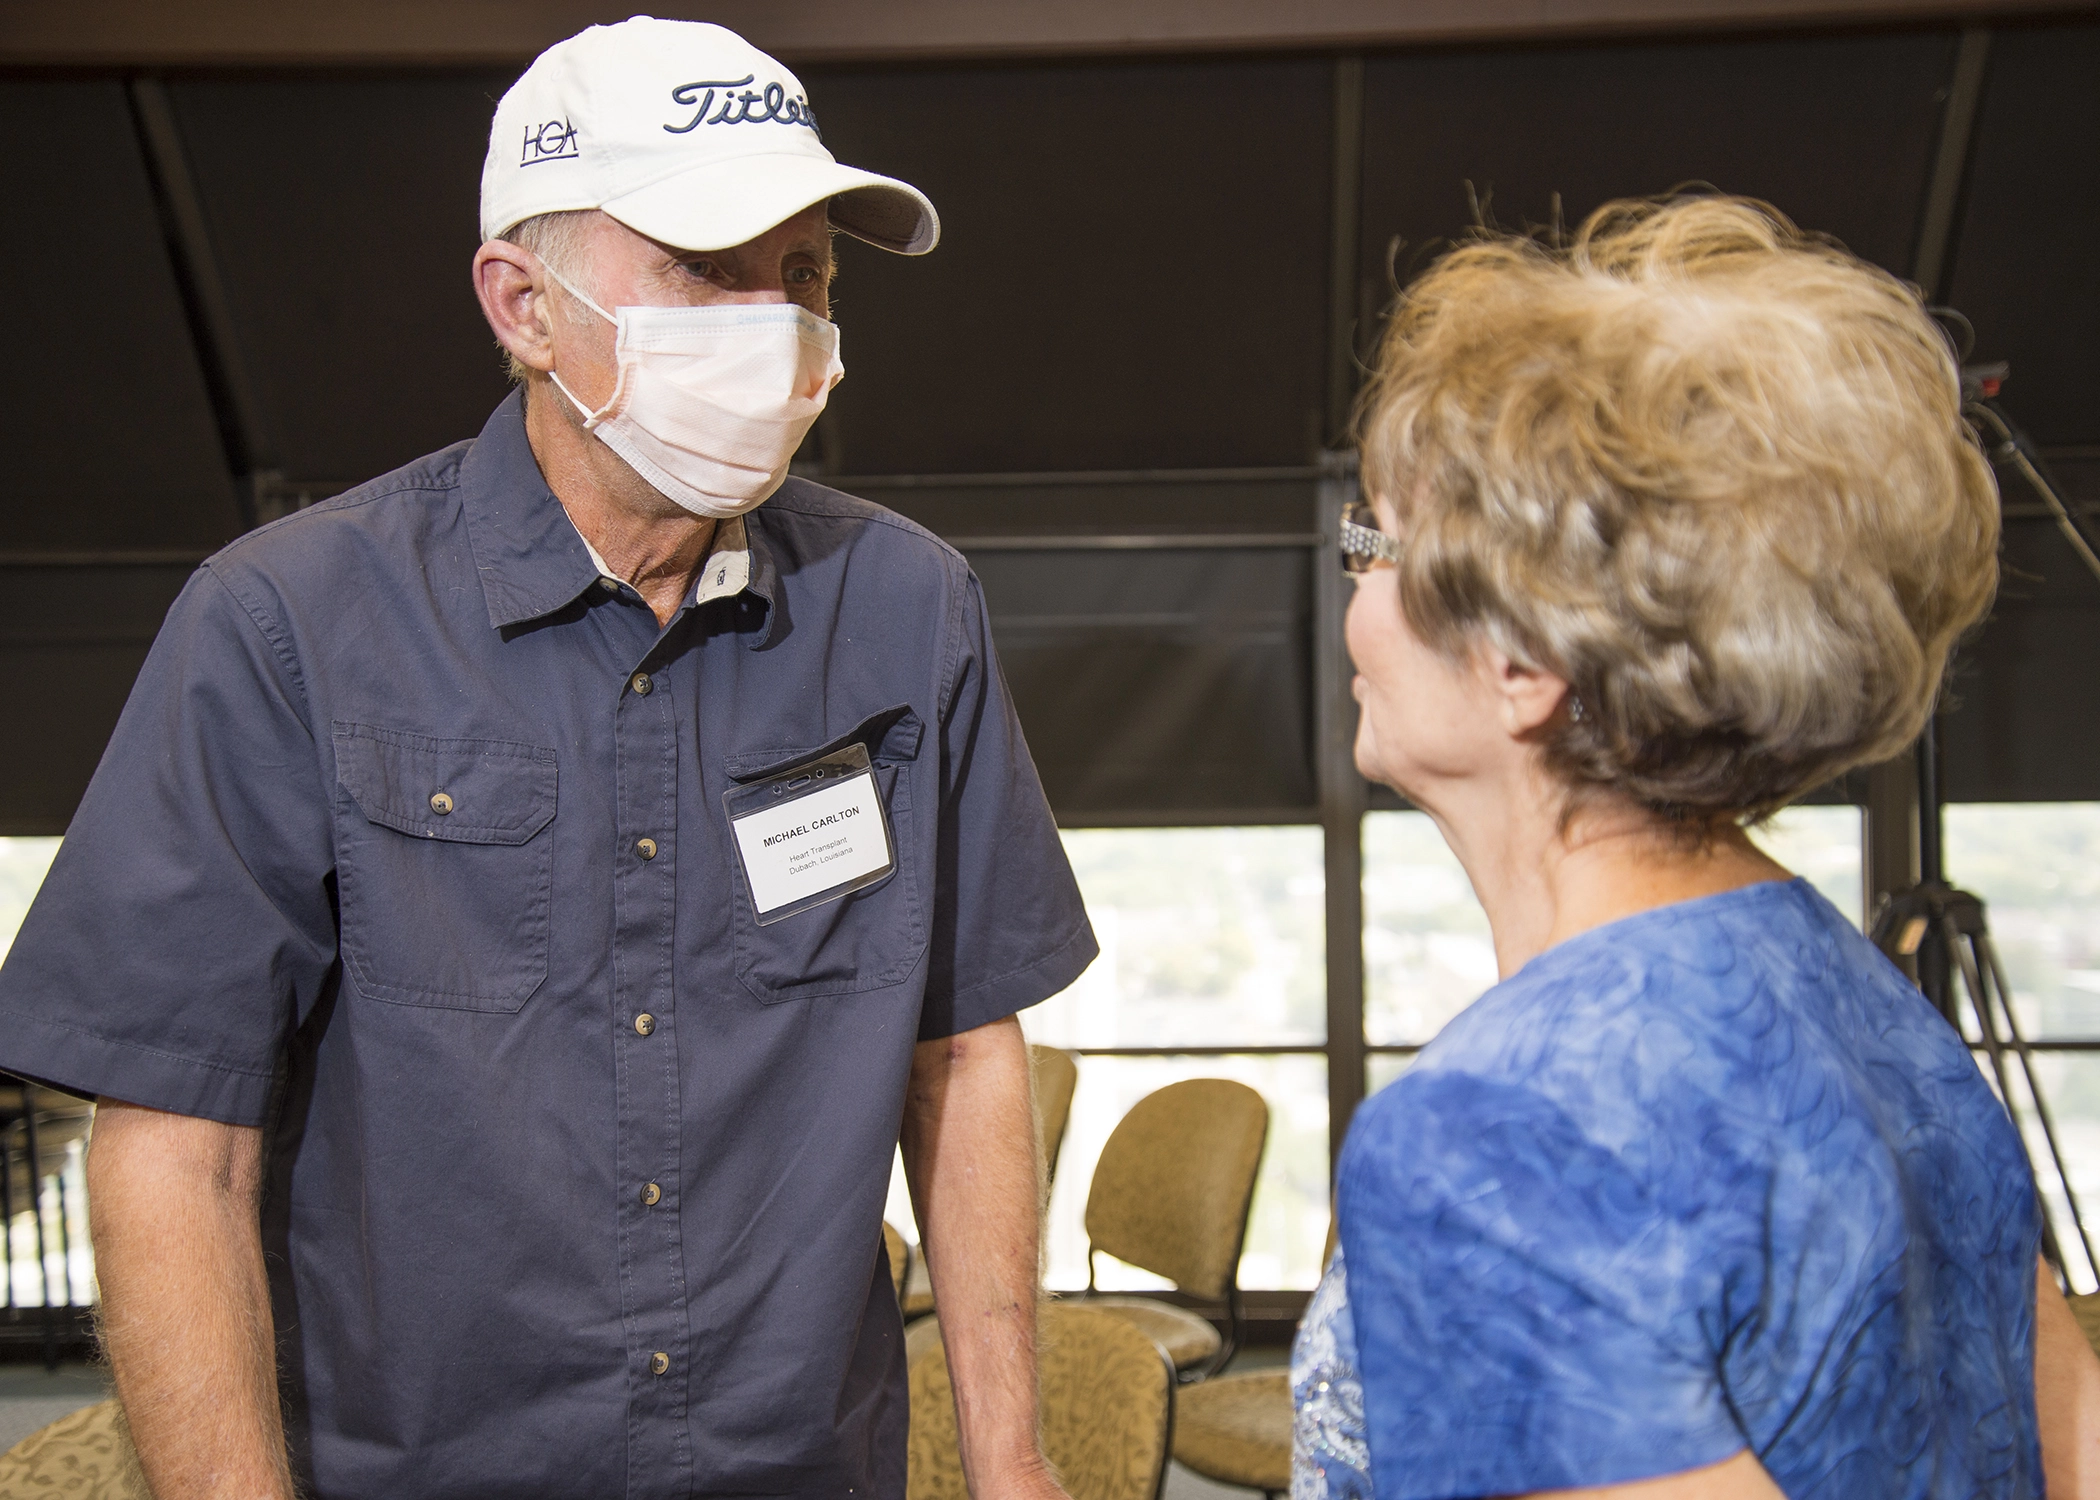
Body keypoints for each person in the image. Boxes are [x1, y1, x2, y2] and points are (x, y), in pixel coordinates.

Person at [0, 18, 1095, 1500]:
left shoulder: (907, 613)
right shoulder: (286, 628)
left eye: (808, 278)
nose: (775, 328)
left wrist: (1012, 1465)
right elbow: (171, 1142)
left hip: (802, 1468)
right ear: (525, 304)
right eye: (708, 274)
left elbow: (962, 1055)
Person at [1294, 195, 2100, 1499]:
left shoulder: (1498, 1131)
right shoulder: (1878, 1012)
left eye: (1376, 544)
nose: (1353, 598)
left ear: (1522, 661)